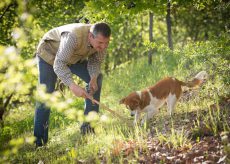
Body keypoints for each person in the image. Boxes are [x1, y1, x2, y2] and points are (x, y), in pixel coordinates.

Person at [34, 22, 111, 147]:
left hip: (73, 57)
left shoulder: (102, 41)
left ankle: (88, 129)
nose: (103, 46)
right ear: (90, 36)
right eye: (100, 43)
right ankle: (40, 142)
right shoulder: (73, 37)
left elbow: (95, 61)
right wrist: (72, 85)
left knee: (98, 78)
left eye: (106, 43)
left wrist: (93, 77)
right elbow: (59, 64)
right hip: (49, 54)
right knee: (46, 95)